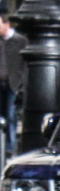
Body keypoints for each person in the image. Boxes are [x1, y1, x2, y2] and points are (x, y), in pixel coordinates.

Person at [0, 14, 27, 154]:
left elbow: (25, 63)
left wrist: (22, 81)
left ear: (6, 24)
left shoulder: (20, 41)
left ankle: (10, 147)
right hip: (1, 82)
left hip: (13, 83)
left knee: (11, 116)